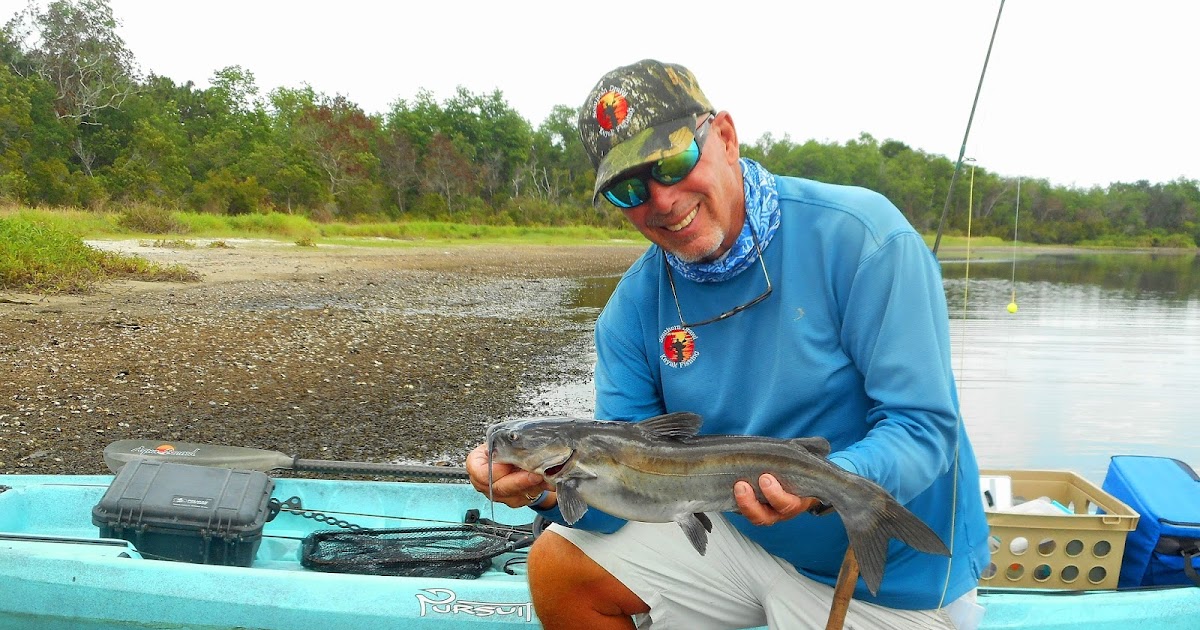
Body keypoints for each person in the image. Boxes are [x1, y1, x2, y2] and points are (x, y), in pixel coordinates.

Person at [466, 59, 989, 630]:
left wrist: (825, 484)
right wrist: (543, 489)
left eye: (672, 161)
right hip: (732, 537)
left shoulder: (863, 239)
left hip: (885, 581)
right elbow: (619, 506)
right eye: (628, 189)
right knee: (558, 565)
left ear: (725, 137)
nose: (661, 200)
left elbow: (923, 427)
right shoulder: (632, 309)